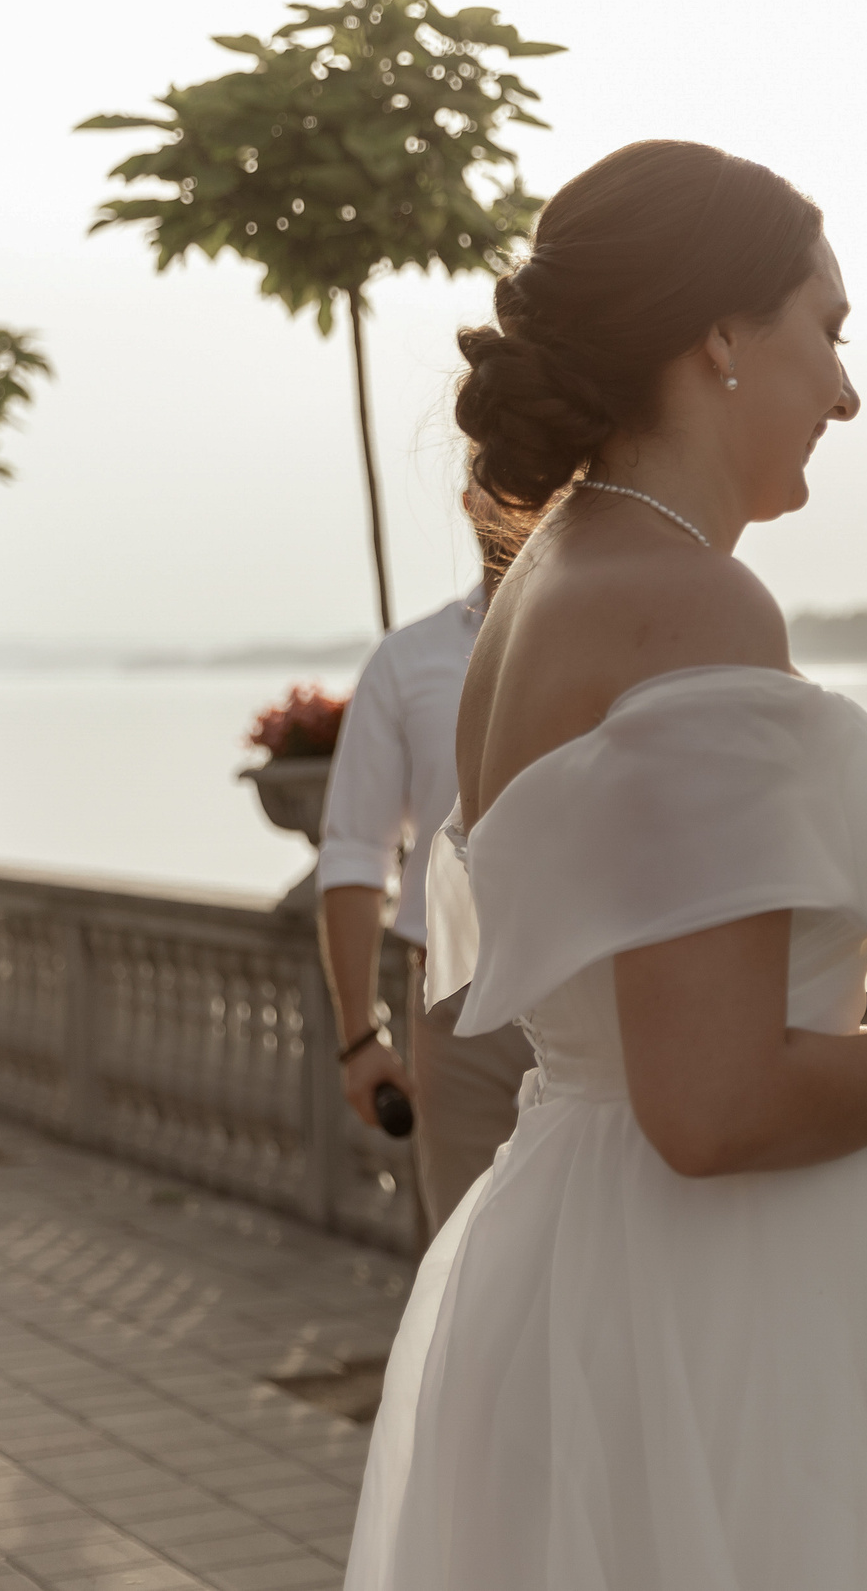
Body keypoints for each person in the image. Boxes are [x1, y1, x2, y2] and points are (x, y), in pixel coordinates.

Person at [343, 140, 867, 1591]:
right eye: (826, 329)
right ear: (718, 337)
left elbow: (662, 1012)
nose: (845, 387)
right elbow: (709, 1103)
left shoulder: (540, 587)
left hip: (570, 1257)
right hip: (726, 1293)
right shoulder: (690, 604)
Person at [318, 486, 532, 1234]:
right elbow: (353, 851)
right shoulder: (407, 661)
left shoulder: (639, 640)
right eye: (501, 482)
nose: (521, 501)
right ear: (471, 499)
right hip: (458, 1009)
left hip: (616, 999)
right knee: (466, 1261)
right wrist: (358, 1035)